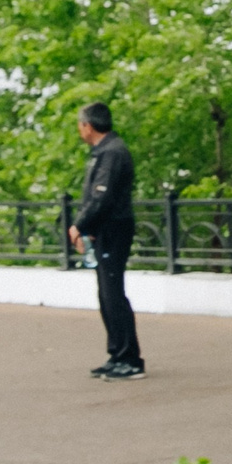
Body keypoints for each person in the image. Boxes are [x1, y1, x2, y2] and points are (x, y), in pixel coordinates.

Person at [69, 102, 142, 381]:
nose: (80, 130)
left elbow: (101, 197)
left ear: (88, 125)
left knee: (113, 294)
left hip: (114, 229)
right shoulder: (103, 152)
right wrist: (87, 230)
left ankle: (130, 359)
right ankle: (117, 354)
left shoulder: (112, 152)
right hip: (105, 230)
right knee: (106, 294)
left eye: (80, 125)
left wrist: (79, 225)